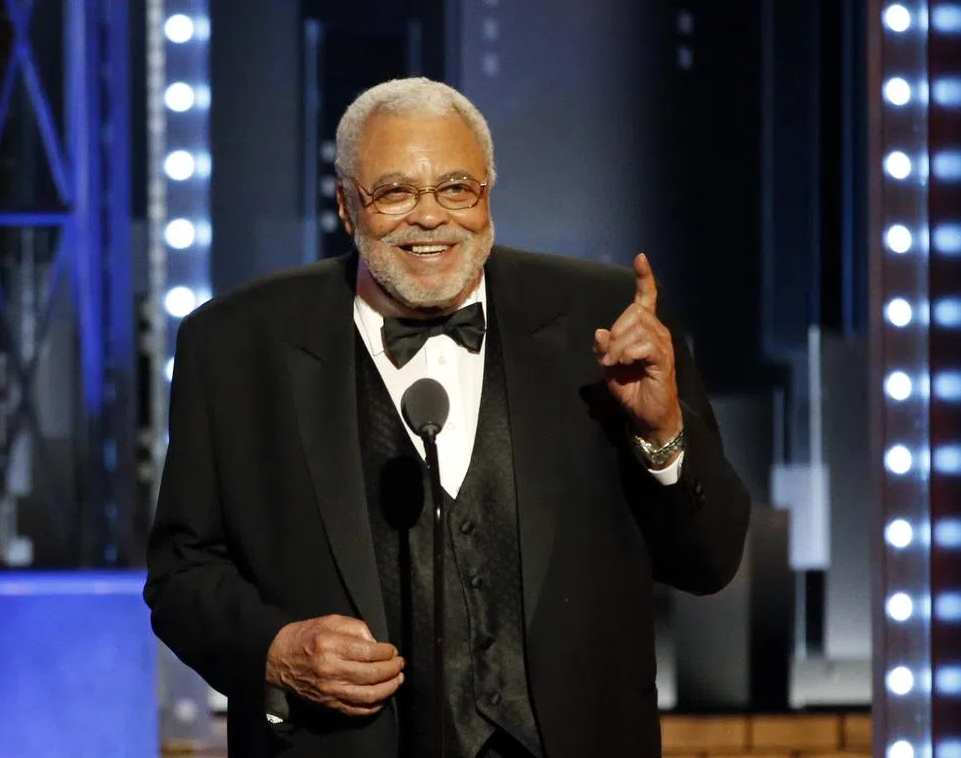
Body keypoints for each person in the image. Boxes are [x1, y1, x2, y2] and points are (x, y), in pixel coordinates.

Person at [144, 77, 751, 758]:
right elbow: (182, 575)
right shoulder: (233, 344)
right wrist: (277, 652)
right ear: (347, 208)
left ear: (488, 194)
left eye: (456, 188)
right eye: (395, 192)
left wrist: (662, 433)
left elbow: (711, 561)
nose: (429, 217)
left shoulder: (606, 320)